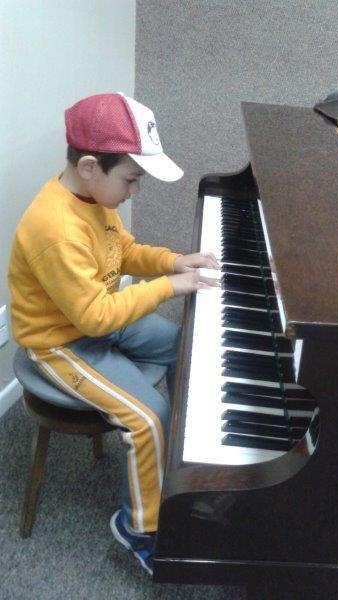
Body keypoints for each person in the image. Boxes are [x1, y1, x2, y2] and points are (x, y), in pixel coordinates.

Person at [7, 92, 218, 575]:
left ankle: (176, 463)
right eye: (131, 179)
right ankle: (138, 529)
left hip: (97, 318)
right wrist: (168, 287)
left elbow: (124, 251)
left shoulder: (93, 199)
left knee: (188, 346)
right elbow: (95, 319)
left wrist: (172, 262)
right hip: (61, 341)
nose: (134, 190)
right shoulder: (56, 229)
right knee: (148, 415)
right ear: (89, 167)